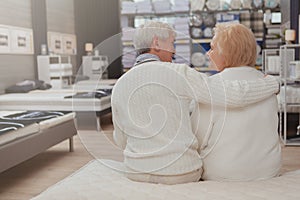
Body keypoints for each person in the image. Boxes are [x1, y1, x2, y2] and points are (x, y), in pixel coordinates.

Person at [111, 21, 279, 184]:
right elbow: (235, 96)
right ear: (156, 43)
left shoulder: (119, 85)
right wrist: (273, 83)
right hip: (181, 172)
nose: (174, 50)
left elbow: (120, 140)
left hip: (135, 171)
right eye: (172, 43)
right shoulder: (178, 72)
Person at [191, 22, 281, 181]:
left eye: (212, 48)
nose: (208, 54)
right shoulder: (267, 85)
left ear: (226, 53)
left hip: (223, 172)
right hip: (268, 169)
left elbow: (197, 139)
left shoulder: (211, 87)